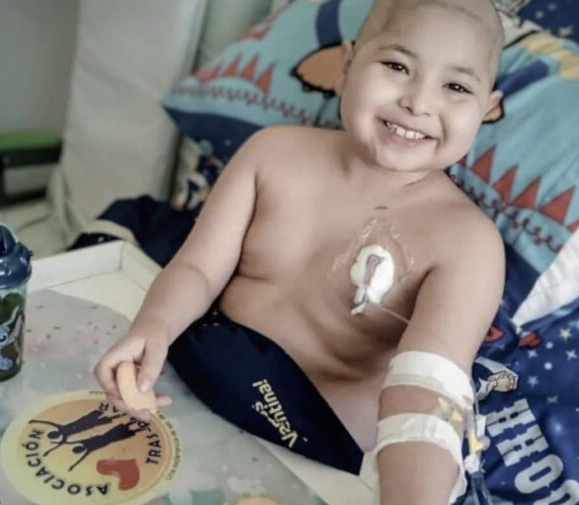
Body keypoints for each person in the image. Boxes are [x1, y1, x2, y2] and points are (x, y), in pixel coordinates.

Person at [95, 0, 505, 503]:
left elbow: (425, 397)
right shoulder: (272, 155)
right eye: (397, 66)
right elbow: (198, 268)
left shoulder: (467, 243)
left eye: (456, 87)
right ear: (347, 65)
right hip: (198, 380)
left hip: (307, 449)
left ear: (487, 109)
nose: (418, 102)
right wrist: (153, 327)